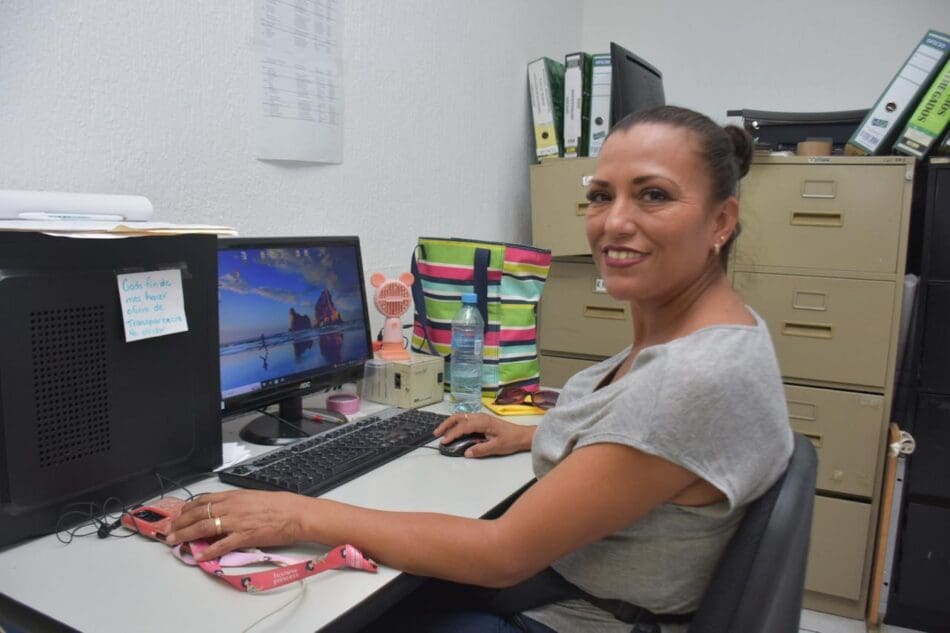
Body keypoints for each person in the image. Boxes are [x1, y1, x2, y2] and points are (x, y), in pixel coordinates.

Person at [167, 105, 793, 633]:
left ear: (721, 221)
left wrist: (296, 515)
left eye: (653, 195)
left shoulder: (691, 377)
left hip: (570, 616)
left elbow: (501, 554)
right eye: (602, 196)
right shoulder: (718, 334)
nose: (615, 221)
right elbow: (642, 443)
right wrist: (530, 434)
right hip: (572, 588)